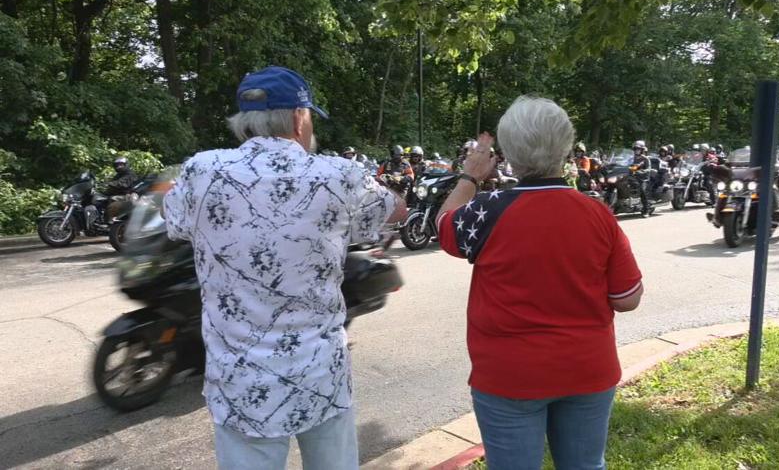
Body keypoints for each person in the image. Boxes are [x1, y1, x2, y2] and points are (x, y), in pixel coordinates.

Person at [162, 66, 407, 470]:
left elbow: (174, 223)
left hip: (241, 381)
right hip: (319, 373)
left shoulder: (201, 171)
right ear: (298, 118)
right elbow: (396, 210)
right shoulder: (338, 175)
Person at [434, 96, 643, 470]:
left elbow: (444, 225)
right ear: (565, 148)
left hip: (508, 376)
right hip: (587, 369)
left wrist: (470, 175)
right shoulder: (597, 212)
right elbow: (627, 298)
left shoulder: (488, 211)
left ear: (509, 153)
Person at [631, 140, 653, 216]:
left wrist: (641, 171)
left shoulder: (645, 159)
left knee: (642, 190)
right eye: (636, 149)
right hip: (631, 176)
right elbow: (624, 164)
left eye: (639, 149)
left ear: (642, 150)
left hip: (642, 178)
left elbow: (648, 169)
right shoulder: (631, 158)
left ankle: (646, 210)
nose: (637, 150)